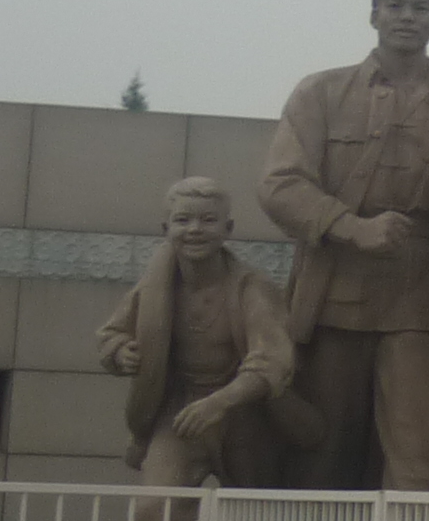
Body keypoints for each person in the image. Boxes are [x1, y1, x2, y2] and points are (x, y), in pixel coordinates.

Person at [260, 0, 429, 488]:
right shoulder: (322, 92)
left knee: (422, 452)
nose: (407, 17)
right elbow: (281, 185)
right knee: (322, 448)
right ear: (374, 16)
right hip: (337, 291)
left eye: (420, 8)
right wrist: (351, 226)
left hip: (426, 297)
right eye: (395, 6)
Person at [97, 179, 293, 488]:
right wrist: (121, 351)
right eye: (183, 220)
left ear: (228, 229)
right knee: (157, 507)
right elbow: (111, 334)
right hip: (180, 414)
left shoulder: (252, 288)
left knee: (254, 509)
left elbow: (273, 362)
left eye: (208, 220)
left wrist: (220, 402)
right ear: (166, 229)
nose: (195, 230)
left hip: (244, 414)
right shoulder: (153, 289)